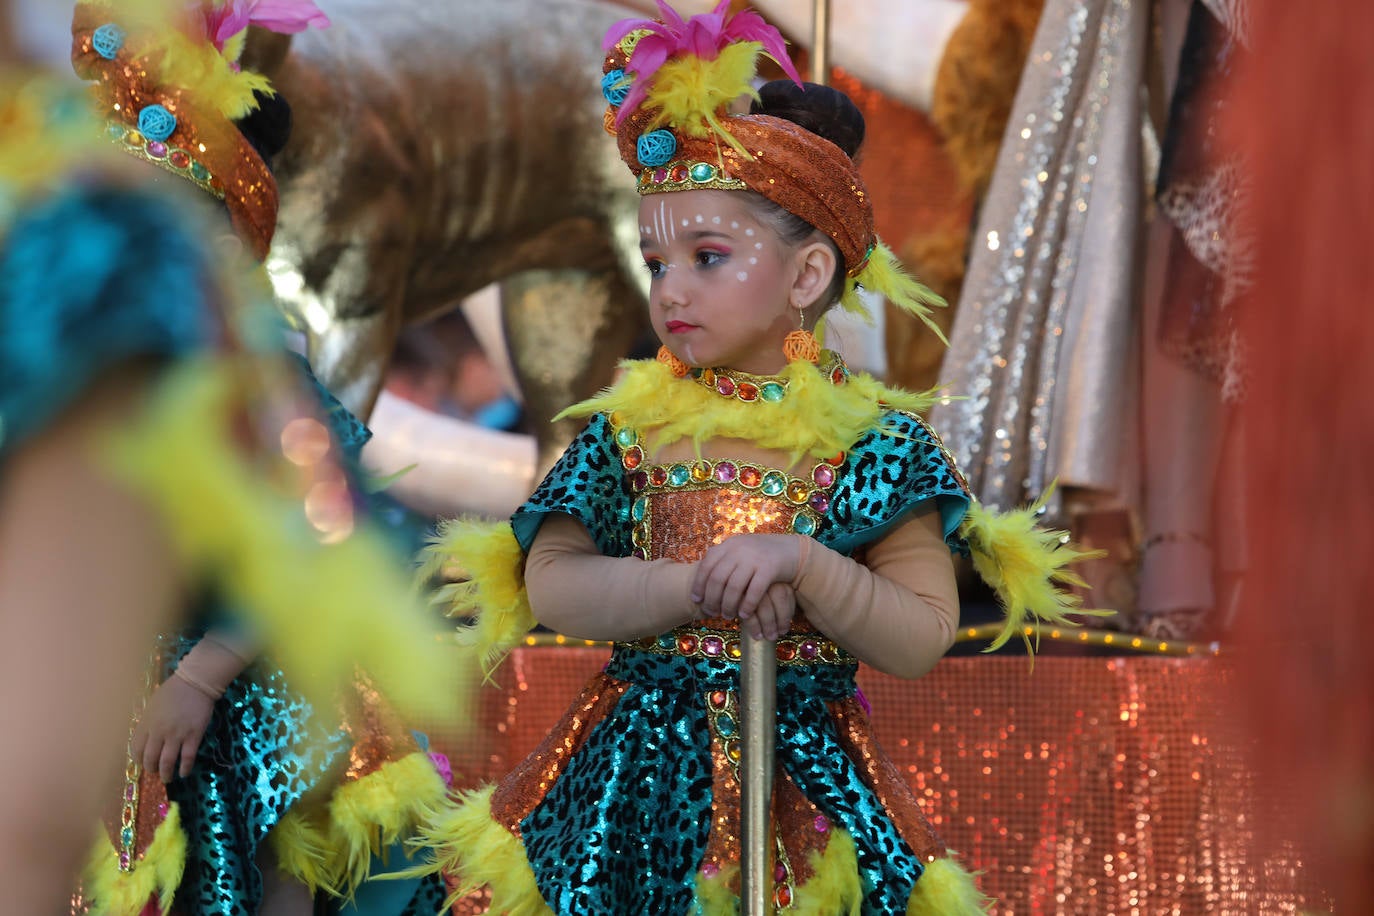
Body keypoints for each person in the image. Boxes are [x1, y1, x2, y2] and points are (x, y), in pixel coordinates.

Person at [412, 3, 1097, 912]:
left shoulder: (876, 444)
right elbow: (554, 578)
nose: (671, 290)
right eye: (656, 264)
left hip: (807, 796)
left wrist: (806, 564)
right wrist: (689, 587)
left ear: (807, 276)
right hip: (630, 791)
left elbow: (922, 634)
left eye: (706, 256)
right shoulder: (629, 432)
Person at [58, 4, 458, 914]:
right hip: (96, 680)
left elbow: (313, 538)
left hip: (237, 673)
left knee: (278, 806)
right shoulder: (77, 389)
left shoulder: (259, 388)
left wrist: (200, 677)